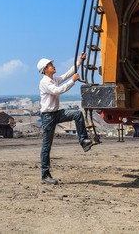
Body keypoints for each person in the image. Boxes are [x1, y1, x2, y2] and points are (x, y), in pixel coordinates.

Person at [37, 52, 93, 185]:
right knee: (47, 145)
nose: (53, 66)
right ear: (45, 69)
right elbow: (58, 91)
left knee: (77, 114)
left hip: (56, 113)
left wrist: (79, 61)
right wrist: (73, 82)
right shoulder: (45, 82)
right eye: (51, 65)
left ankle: (84, 141)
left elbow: (68, 73)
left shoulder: (53, 79)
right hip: (48, 117)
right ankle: (45, 175)